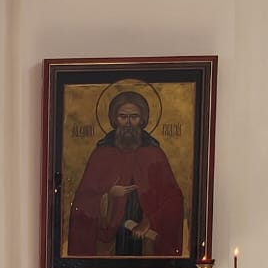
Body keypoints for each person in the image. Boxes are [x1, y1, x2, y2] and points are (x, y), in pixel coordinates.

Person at [67, 91, 185, 257]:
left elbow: (172, 198)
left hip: (145, 233)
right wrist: (108, 193)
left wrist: (148, 220)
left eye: (134, 117)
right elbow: (83, 198)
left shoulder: (154, 154)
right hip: (110, 234)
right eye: (123, 117)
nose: (128, 123)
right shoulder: (102, 154)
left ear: (142, 119)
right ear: (114, 119)